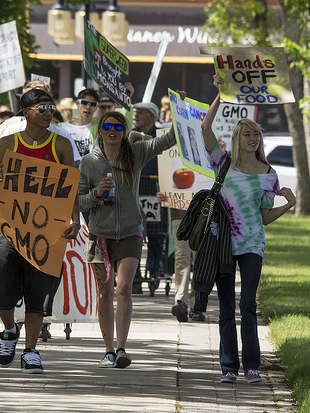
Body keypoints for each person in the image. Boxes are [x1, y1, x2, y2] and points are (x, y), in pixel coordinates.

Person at [201, 74, 296, 384]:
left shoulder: (269, 173)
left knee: (247, 304)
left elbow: (265, 217)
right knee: (227, 306)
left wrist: (288, 205)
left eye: (257, 134)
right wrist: (219, 94)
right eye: (248, 135)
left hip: (253, 243)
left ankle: (252, 366)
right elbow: (205, 128)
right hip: (223, 244)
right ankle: (229, 367)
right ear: (238, 138)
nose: (253, 138)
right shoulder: (223, 163)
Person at [78, 100, 184, 368]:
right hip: (99, 236)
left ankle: (123, 348)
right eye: (107, 126)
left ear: (124, 131)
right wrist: (96, 193)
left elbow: (168, 140)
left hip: (130, 232)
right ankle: (108, 350)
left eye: (118, 126)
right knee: (104, 293)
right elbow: (77, 202)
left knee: (124, 288)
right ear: (100, 131)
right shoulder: (89, 162)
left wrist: (179, 106)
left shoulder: (134, 153)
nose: (112, 130)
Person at [0, 88, 80, 374]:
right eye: (41, 108)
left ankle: (30, 351)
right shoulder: (6, 142)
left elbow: (71, 187)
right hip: (12, 228)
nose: (48, 113)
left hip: (48, 232)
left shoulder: (62, 144)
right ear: (25, 113)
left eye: (50, 107)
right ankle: (9, 329)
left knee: (37, 293)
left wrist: (75, 219)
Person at [131, 101, 165, 294]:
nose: (136, 115)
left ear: (151, 116)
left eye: (141, 112)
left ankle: (153, 271)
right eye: (136, 112)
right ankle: (135, 278)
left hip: (156, 193)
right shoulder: (131, 136)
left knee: (156, 235)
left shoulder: (160, 136)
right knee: (134, 235)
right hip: (135, 192)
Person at [156, 192, 205, 322]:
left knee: (200, 258)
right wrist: (162, 192)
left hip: (204, 211)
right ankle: (181, 301)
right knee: (182, 256)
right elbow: (165, 177)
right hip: (179, 210)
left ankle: (197, 304)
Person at [60, 88, 100, 158]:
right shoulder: (61, 127)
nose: (88, 107)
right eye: (84, 103)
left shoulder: (100, 128)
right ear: (77, 104)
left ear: (96, 107)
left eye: (92, 104)